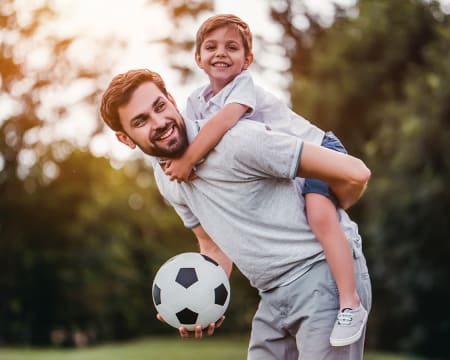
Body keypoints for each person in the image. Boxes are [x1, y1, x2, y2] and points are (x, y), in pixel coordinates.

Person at [100, 68, 372, 360]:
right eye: (141, 121)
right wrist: (203, 297)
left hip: (322, 276)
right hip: (271, 295)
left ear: (171, 99)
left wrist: (331, 221)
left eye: (159, 106)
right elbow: (213, 245)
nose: (159, 122)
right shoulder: (167, 178)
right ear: (125, 139)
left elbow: (355, 173)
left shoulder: (237, 142)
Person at [162, 14, 367, 347]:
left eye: (232, 47)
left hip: (319, 151)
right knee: (311, 215)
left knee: (319, 217)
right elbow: (195, 137)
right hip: (289, 167)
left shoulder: (243, 87)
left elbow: (225, 122)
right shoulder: (195, 102)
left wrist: (187, 160)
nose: (221, 53)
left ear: (247, 60)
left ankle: (349, 302)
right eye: (211, 47)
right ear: (198, 58)